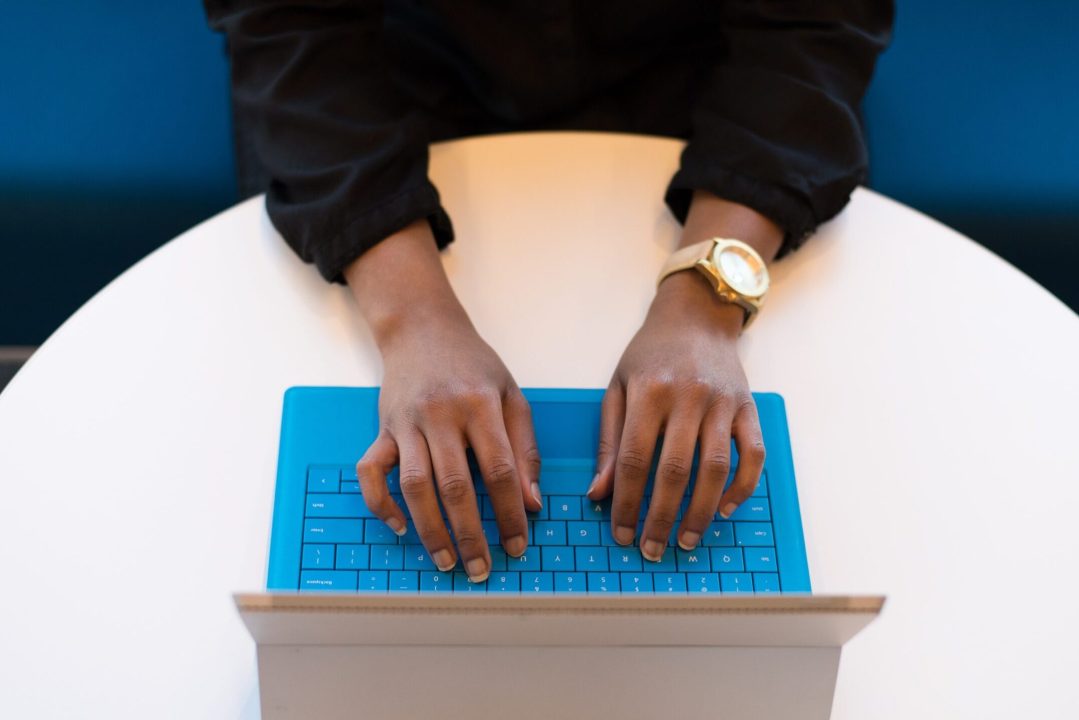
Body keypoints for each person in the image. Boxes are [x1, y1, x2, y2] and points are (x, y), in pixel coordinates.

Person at [205, 1, 893, 583]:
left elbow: (815, 22)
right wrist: (414, 318)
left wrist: (702, 306)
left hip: (714, 98)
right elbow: (291, 22)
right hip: (388, 99)